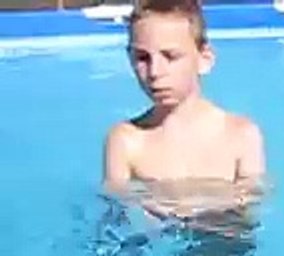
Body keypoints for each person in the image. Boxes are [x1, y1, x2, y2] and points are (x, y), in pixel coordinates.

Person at [101, 0, 266, 207]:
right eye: (143, 58)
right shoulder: (126, 140)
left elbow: (251, 210)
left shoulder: (241, 135)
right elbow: (116, 212)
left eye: (170, 56)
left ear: (204, 59)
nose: (155, 72)